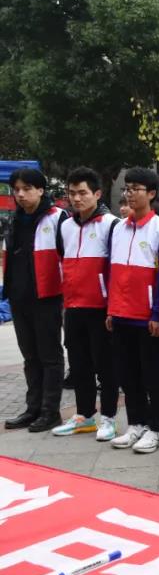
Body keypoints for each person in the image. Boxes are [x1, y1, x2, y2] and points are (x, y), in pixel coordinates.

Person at [106, 168, 159, 453]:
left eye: (136, 189)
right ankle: (135, 423)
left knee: (153, 377)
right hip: (121, 314)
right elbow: (113, 272)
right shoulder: (118, 229)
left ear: (151, 194)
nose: (129, 194)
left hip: (147, 319)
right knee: (128, 375)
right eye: (127, 188)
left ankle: (156, 428)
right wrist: (111, 309)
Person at [51, 167, 121, 441]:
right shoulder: (65, 226)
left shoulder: (111, 225)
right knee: (79, 365)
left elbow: (117, 269)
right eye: (72, 193)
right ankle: (84, 416)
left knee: (105, 366)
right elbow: (63, 258)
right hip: (73, 307)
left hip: (100, 308)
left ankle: (109, 418)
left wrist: (113, 307)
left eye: (83, 193)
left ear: (97, 194)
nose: (76, 198)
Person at [2, 167, 66, 432]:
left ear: (41, 190)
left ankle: (51, 411)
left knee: (49, 356)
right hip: (19, 298)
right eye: (16, 189)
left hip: (47, 297)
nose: (20, 194)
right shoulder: (15, 219)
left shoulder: (57, 217)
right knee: (30, 357)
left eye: (27, 189)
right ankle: (33, 408)